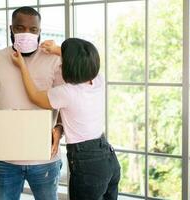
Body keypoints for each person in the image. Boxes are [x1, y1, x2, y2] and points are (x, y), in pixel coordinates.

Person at [0, 6, 63, 200]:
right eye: (20, 28)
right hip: (5, 158)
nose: (27, 33)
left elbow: (66, 101)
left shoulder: (54, 61)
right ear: (10, 29)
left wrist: (59, 128)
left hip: (45, 158)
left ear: (39, 32)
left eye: (33, 30)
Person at [11, 38, 121, 200]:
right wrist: (56, 49)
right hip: (109, 159)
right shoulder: (98, 80)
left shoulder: (66, 92)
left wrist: (22, 66)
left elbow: (34, 96)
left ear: (68, 67)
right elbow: (83, 61)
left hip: (87, 166)